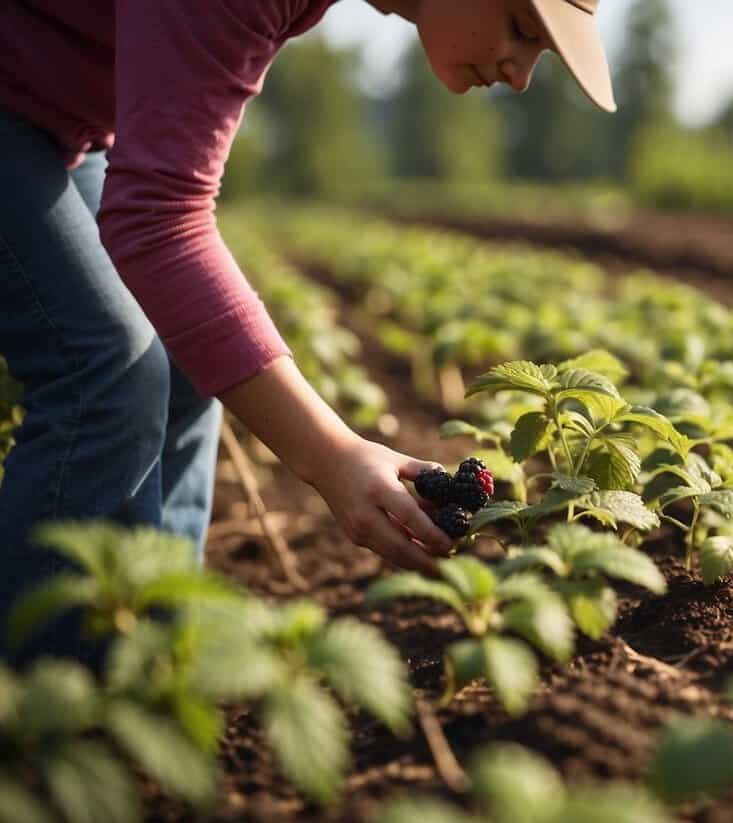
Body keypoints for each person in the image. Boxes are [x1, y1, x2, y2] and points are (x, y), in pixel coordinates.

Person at [0, 0, 616, 660]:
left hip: (54, 120)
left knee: (182, 365)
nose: (521, 74)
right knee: (106, 365)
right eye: (523, 29)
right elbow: (157, 219)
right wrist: (329, 456)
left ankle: (149, 661)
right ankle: (47, 713)